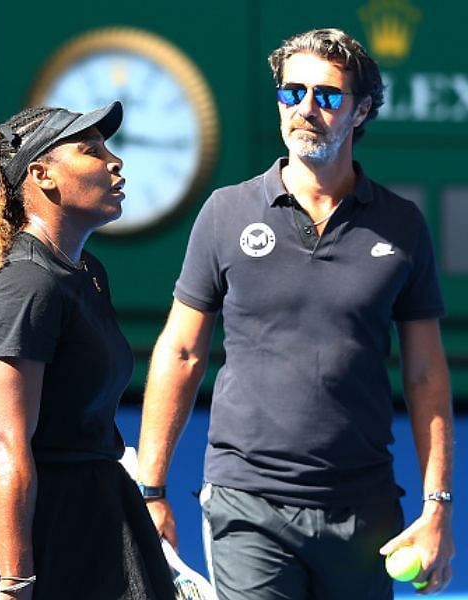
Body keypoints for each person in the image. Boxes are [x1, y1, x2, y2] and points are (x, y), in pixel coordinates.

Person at [136, 28, 455, 599]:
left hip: (365, 513)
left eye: (328, 97)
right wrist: (152, 492)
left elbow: (427, 375)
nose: (306, 109)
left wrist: (438, 509)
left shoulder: (403, 225)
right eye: (292, 93)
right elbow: (181, 353)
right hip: (245, 505)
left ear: (361, 112)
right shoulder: (225, 212)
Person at [0, 102, 175, 599]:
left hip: (92, 516)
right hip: (31, 534)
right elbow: (5, 443)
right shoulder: (24, 285)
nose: (114, 162)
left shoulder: (87, 274)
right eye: (90, 150)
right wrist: (15, 582)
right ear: (42, 175)